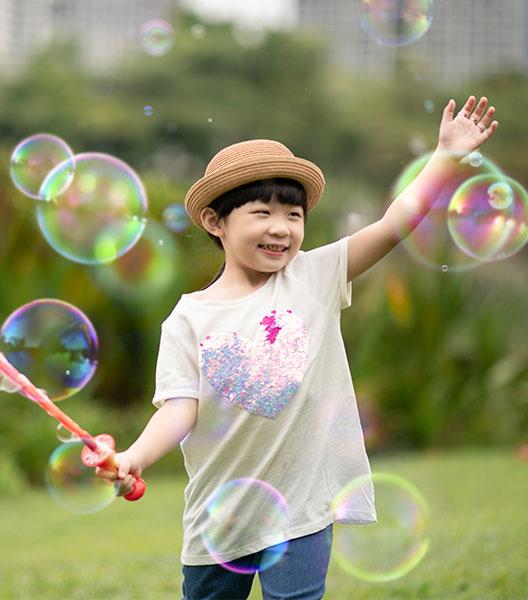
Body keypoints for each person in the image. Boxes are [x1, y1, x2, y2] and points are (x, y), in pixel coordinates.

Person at [96, 95, 498, 600]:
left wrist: (445, 156)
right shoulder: (188, 318)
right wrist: (135, 454)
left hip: (302, 500)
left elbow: (395, 224)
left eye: (293, 213)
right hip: (220, 513)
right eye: (262, 212)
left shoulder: (314, 276)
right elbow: (179, 409)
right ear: (216, 223)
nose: (282, 227)